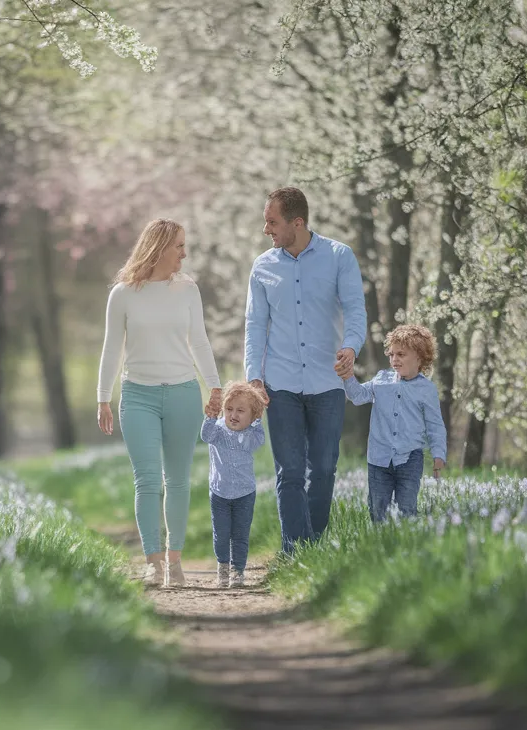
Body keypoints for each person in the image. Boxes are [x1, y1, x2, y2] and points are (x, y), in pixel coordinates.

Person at [97, 218, 223, 588]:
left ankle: (175, 561)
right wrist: (103, 397)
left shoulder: (187, 290)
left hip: (183, 393)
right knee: (148, 479)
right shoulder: (122, 294)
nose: (184, 253)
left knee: (178, 480)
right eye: (179, 246)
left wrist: (214, 387)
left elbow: (199, 341)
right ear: (160, 247)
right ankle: (153, 561)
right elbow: (111, 347)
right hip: (138, 395)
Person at [244, 187, 367, 555]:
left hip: (327, 380)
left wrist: (351, 346)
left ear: (297, 222)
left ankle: (312, 547)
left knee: (325, 470)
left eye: (272, 221)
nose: (266, 229)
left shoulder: (339, 256)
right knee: (290, 472)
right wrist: (254, 375)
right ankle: (296, 552)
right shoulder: (263, 266)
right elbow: (254, 324)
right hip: (279, 383)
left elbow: (355, 310)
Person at [343, 324, 447, 522]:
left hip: (410, 459)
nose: (394, 359)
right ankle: (380, 548)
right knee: (377, 511)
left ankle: (403, 546)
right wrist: (348, 376)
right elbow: (357, 396)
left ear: (419, 356)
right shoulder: (382, 380)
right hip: (378, 459)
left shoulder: (427, 389)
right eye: (391, 354)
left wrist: (439, 454)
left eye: (401, 354)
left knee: (406, 510)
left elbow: (435, 425)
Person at [200, 381, 267, 589]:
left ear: (252, 415)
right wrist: (210, 417)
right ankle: (222, 568)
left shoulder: (252, 434)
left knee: (240, 534)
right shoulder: (218, 430)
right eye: (229, 409)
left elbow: (257, 441)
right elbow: (206, 436)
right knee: (221, 534)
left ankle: (238, 571)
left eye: (240, 411)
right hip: (219, 493)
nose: (233, 415)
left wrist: (256, 421)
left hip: (244, 493)